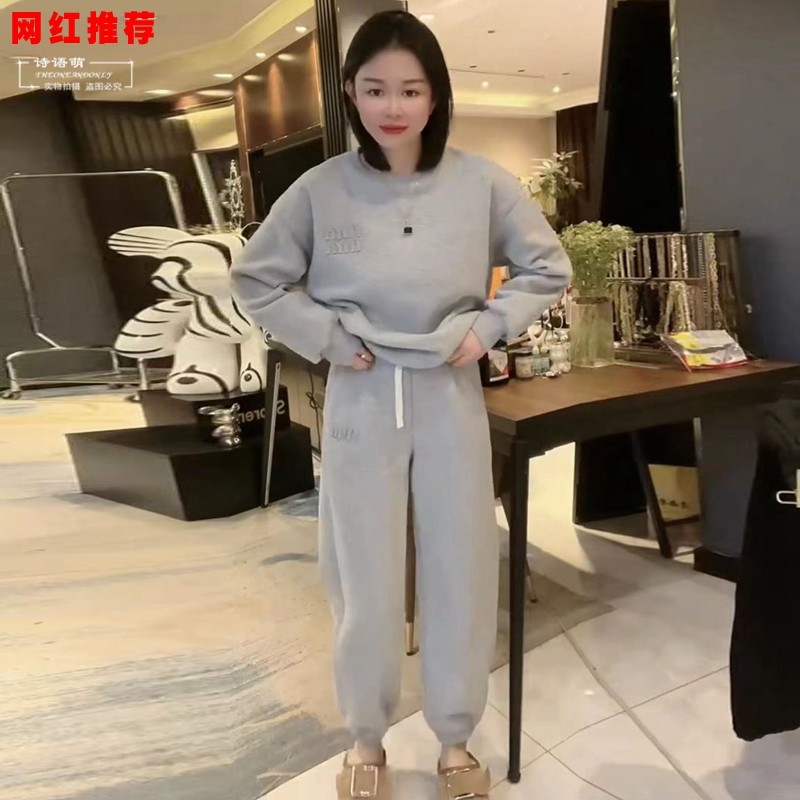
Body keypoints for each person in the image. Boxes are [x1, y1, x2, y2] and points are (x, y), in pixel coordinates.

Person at [231, 10, 571, 799]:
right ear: (351, 92)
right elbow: (257, 278)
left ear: (435, 95)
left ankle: (454, 738)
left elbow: (545, 267)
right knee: (362, 570)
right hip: (360, 387)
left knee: (462, 561)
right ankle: (366, 737)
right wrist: (325, 337)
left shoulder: (482, 183)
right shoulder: (320, 189)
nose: (393, 106)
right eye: (376, 87)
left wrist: (486, 329)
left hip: (448, 387)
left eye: (411, 89)